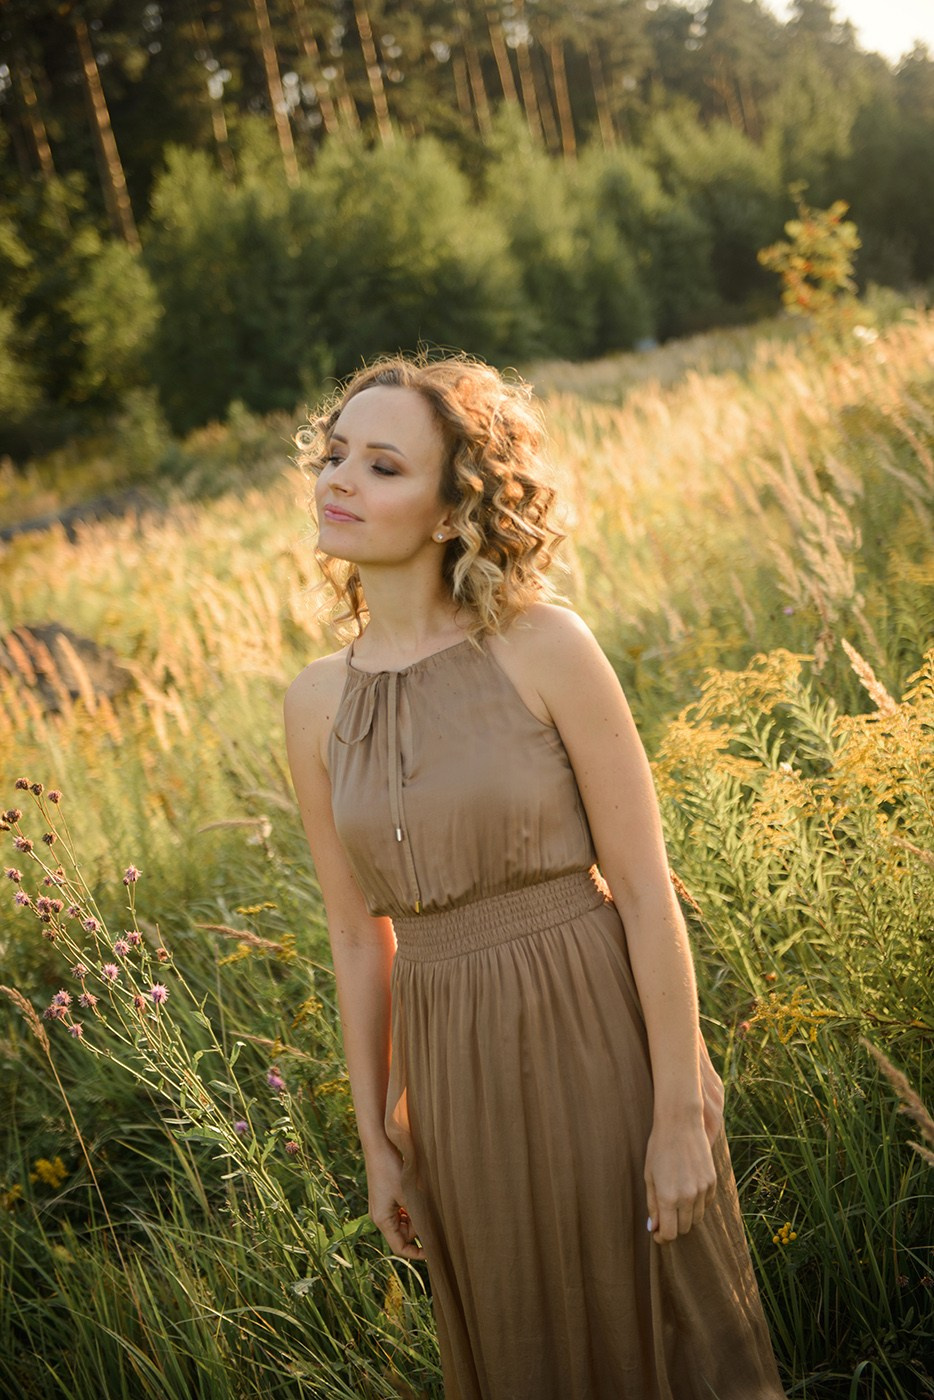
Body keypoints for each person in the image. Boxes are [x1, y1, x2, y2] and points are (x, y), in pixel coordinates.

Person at [282, 352, 786, 1399]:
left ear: (449, 503)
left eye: (381, 465)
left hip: (598, 1037)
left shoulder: (544, 647)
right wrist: (378, 1142)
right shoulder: (314, 703)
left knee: (672, 1340)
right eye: (334, 455)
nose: (339, 479)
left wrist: (679, 1109)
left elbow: (645, 889)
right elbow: (353, 938)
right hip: (451, 1078)